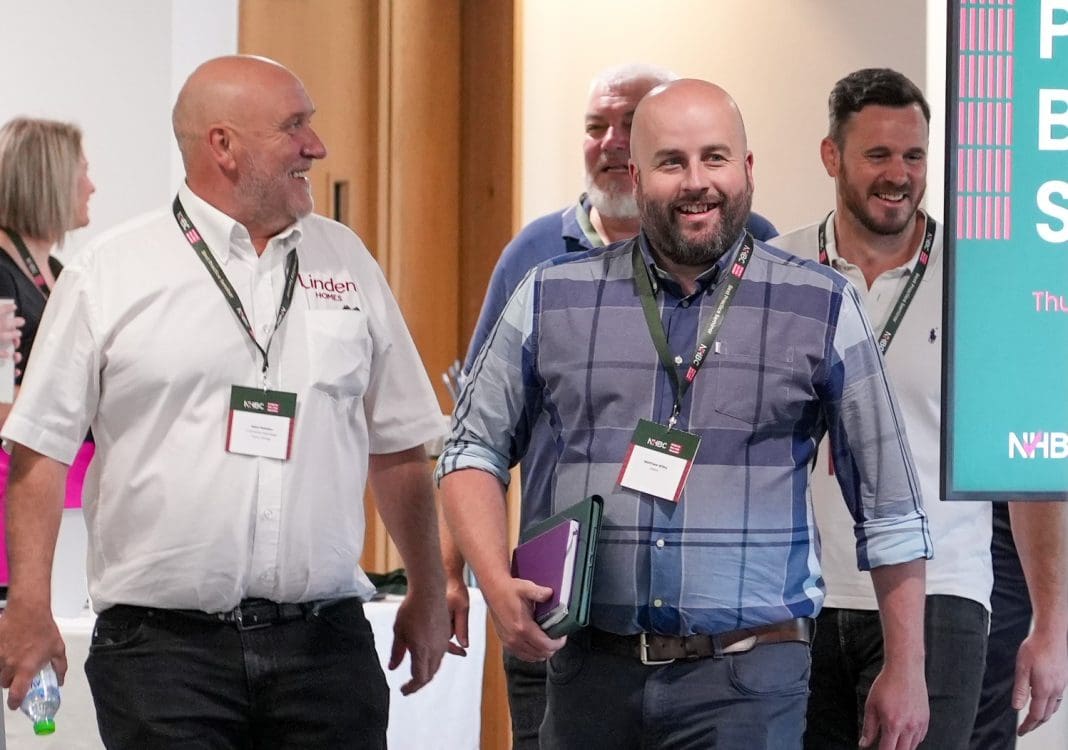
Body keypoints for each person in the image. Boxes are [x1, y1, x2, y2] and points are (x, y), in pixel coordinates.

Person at [439, 78, 933, 750]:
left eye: (715, 158)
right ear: (637, 176)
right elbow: (470, 448)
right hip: (588, 674)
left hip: (747, 682)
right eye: (672, 162)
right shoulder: (550, 296)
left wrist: (907, 667)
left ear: (747, 168)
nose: (697, 182)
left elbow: (891, 505)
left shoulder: (820, 306)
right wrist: (493, 581)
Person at [0, 55, 450, 749]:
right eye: (294, 126)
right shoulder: (108, 274)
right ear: (224, 146)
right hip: (162, 658)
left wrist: (427, 587)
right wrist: (29, 604)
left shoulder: (347, 261)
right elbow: (41, 447)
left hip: (324, 651)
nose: (316, 147)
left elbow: (398, 443)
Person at [445, 63, 779, 748]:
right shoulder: (535, 257)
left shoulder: (755, 248)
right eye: (596, 126)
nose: (611, 141)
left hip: (716, 629)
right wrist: (459, 573)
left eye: (627, 124)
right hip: (559, 606)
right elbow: (476, 437)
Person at [771, 67, 1068, 749]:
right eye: (878, 154)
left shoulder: (981, 281)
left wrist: (1051, 626)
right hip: (794, 597)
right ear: (831, 156)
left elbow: (1024, 465)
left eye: (914, 155)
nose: (899, 175)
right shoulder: (776, 270)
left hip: (942, 597)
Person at [0, 117, 96, 593]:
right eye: (83, 172)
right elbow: (2, 403)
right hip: (19, 478)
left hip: (67, 475)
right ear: (50, 180)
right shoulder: (2, 272)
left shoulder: (55, 268)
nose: (92, 187)